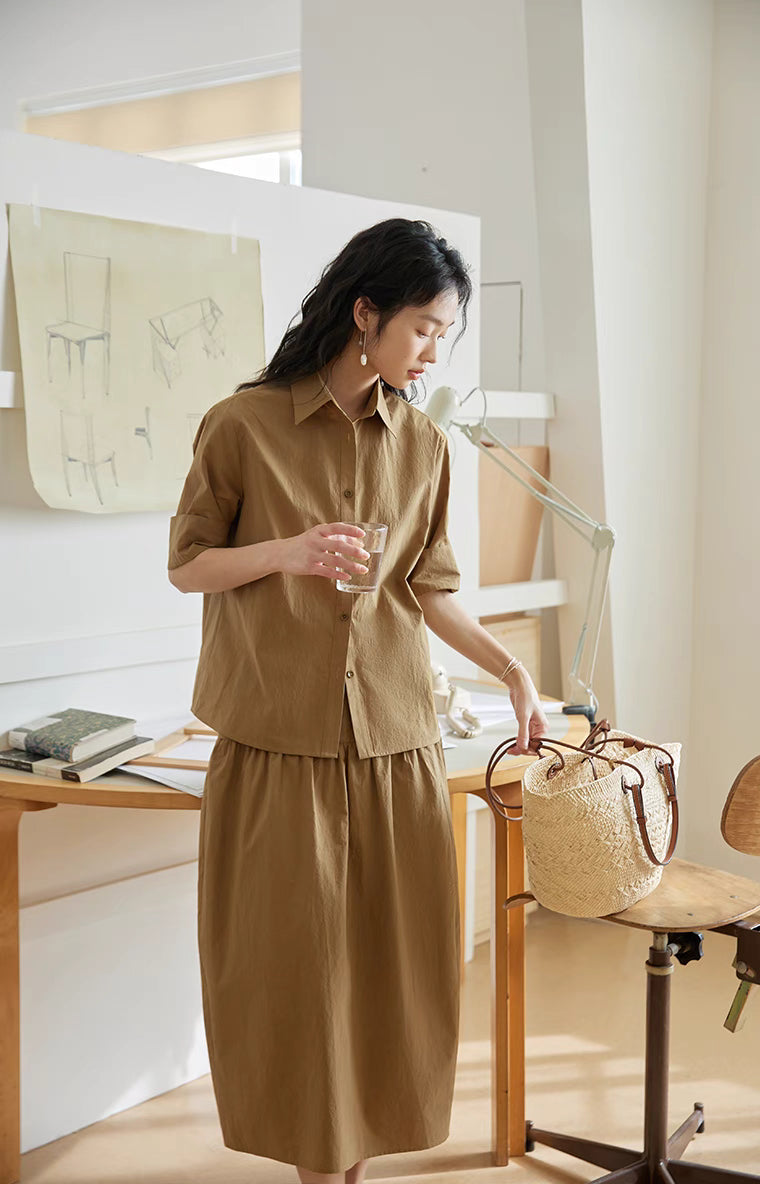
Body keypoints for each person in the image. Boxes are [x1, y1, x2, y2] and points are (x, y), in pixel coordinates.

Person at [167, 218, 549, 1184]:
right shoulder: (242, 425)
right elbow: (189, 564)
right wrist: (287, 552)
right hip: (276, 742)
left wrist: (509, 670)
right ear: (365, 313)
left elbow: (430, 591)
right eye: (424, 328)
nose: (432, 353)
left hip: (393, 742)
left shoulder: (423, 445)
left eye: (444, 334)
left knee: (389, 978)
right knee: (293, 982)